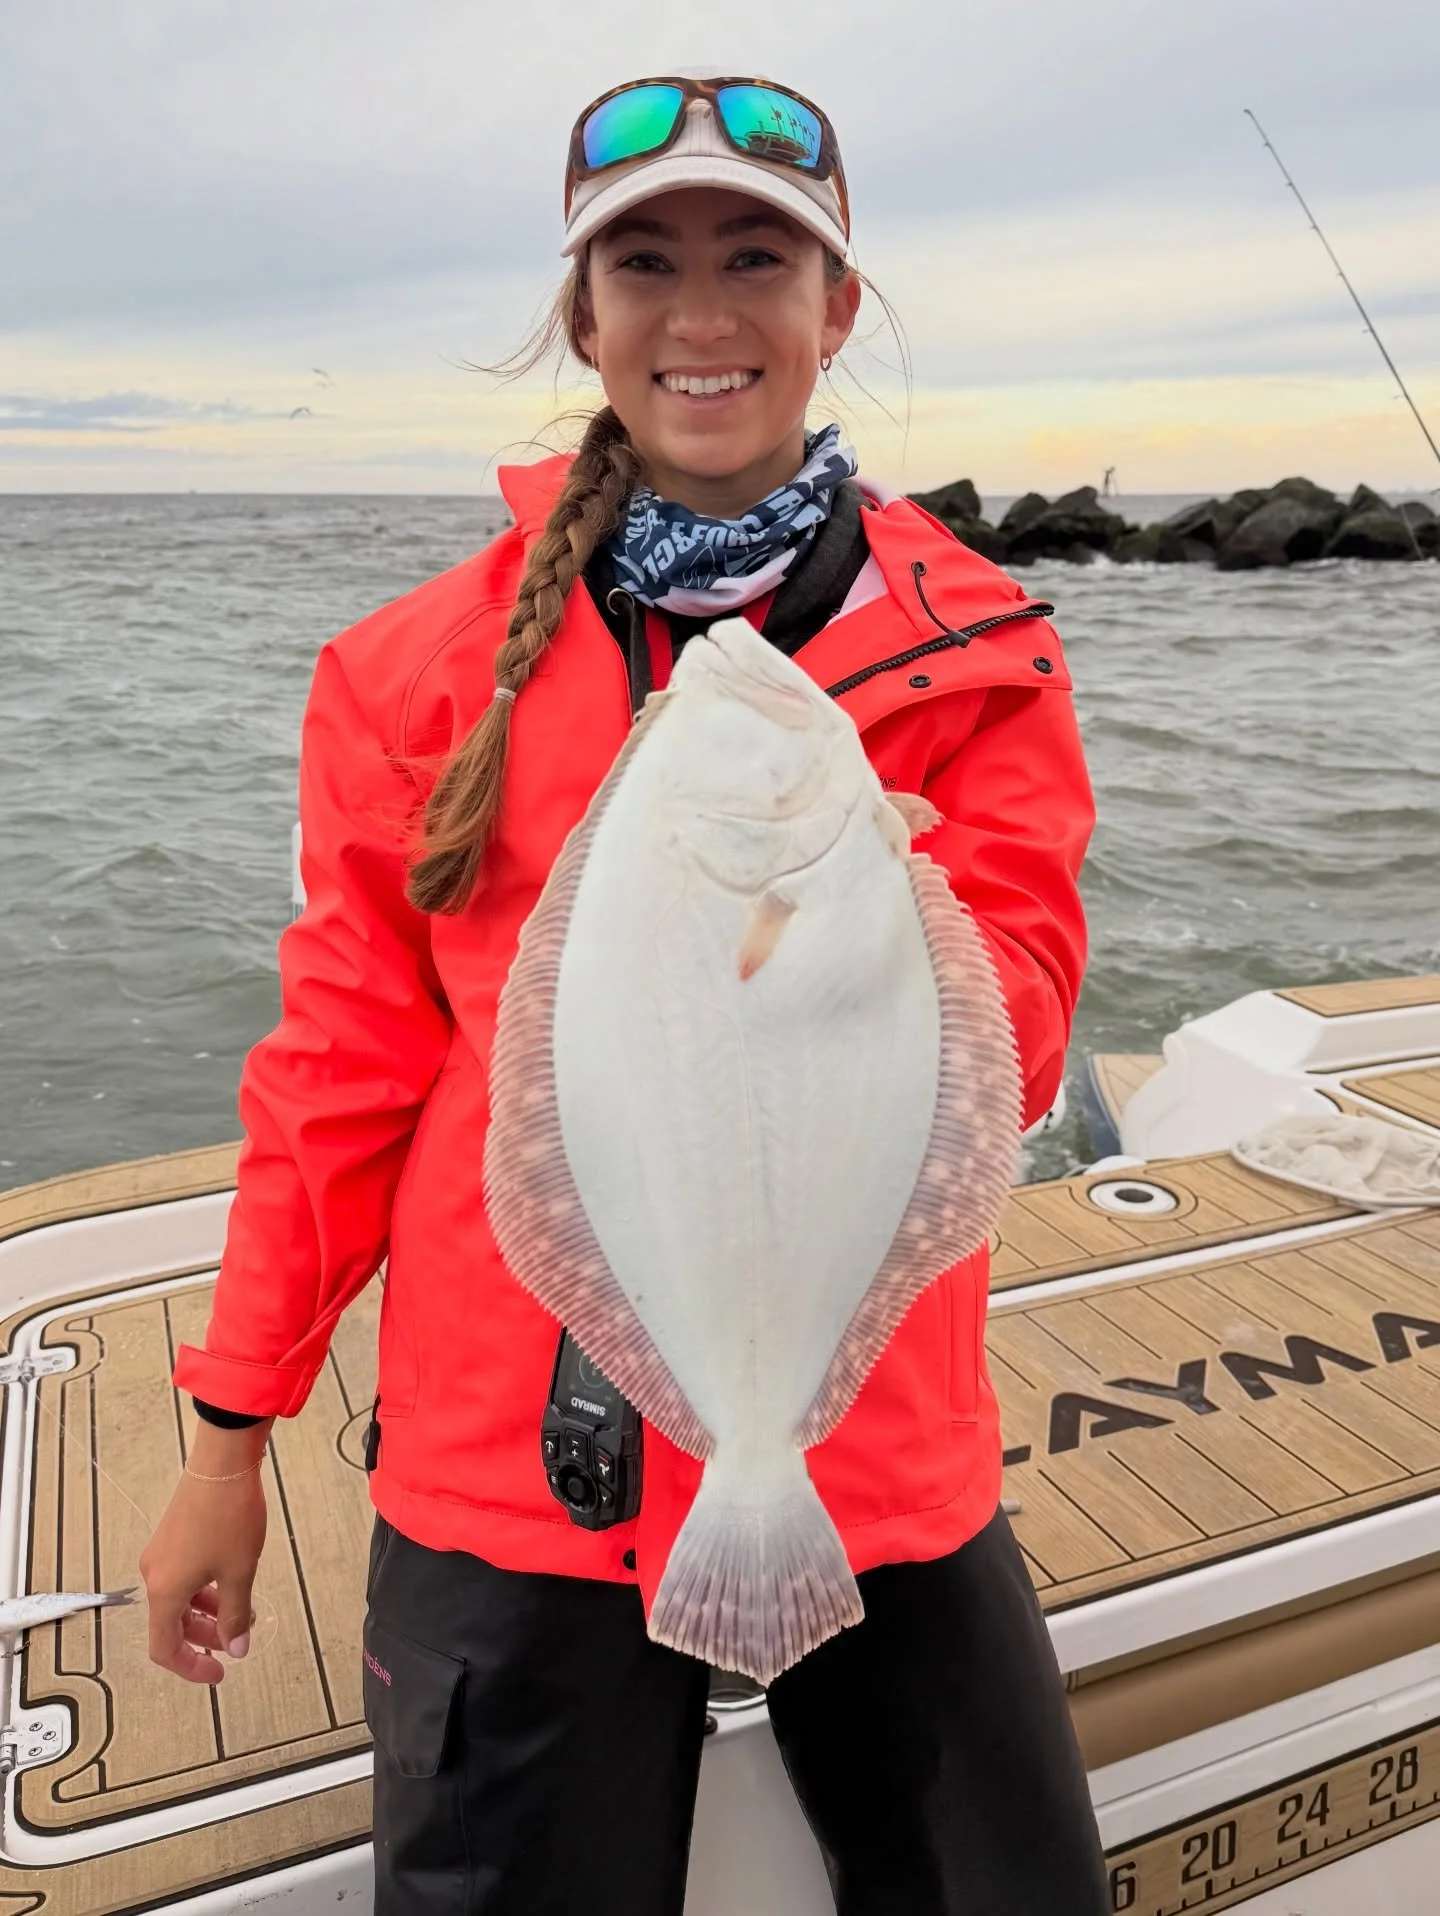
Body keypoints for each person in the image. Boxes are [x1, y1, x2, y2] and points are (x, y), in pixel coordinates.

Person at [140, 72, 1107, 1916]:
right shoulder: (411, 675)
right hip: (513, 1478)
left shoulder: (981, 646)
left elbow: (1027, 1041)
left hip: (867, 1446)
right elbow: (339, 1072)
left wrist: (907, 929)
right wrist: (227, 1433)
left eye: (761, 256)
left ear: (839, 306)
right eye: (644, 264)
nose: (705, 313)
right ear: (580, 317)